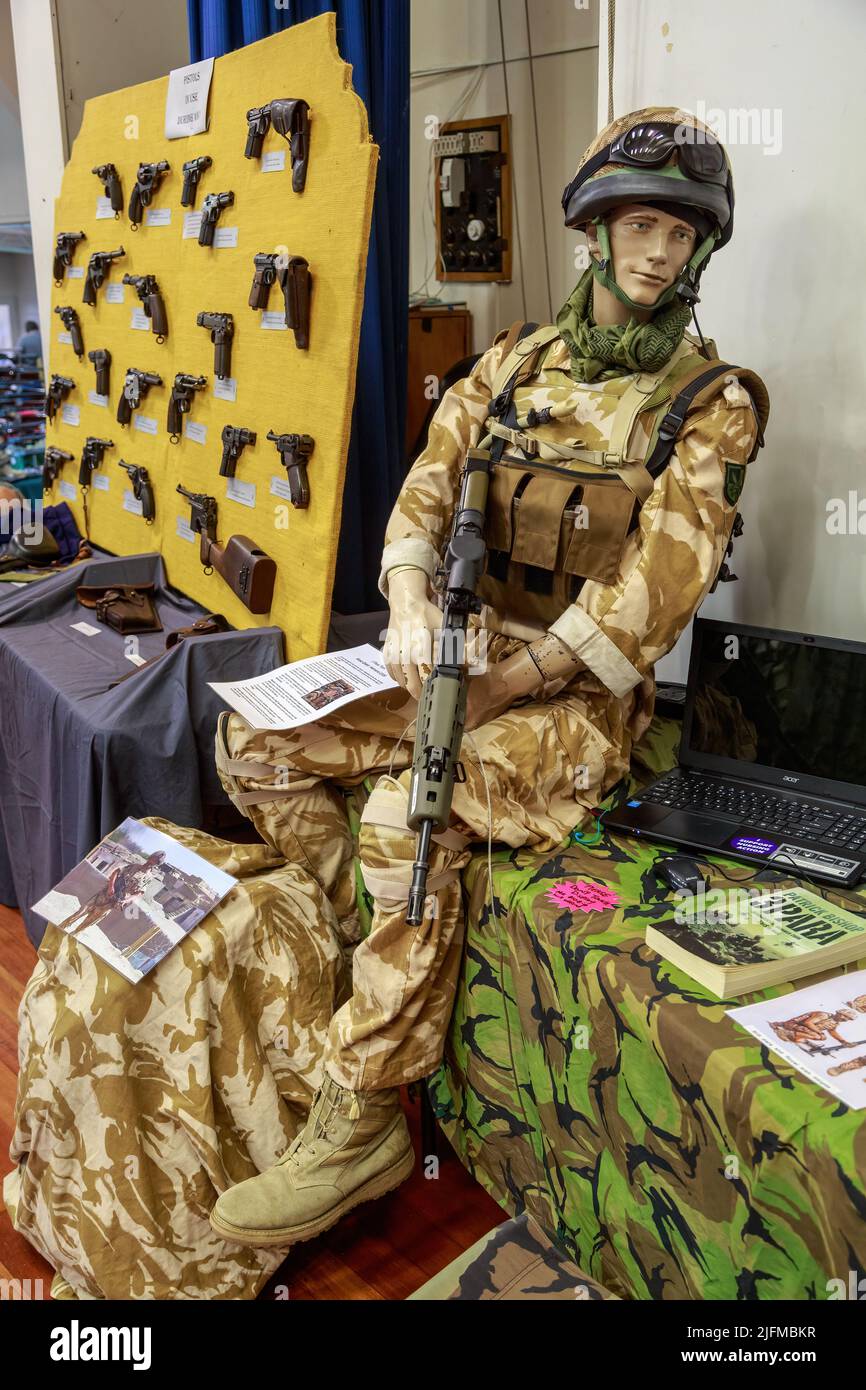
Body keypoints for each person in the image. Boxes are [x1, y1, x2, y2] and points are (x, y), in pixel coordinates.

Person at [209, 106, 769, 1249]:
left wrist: (511, 682)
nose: (659, 254)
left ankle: (363, 1116)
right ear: (599, 229)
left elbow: (651, 595)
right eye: (643, 224)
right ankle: (360, 956)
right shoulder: (513, 361)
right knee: (256, 745)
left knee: (404, 806)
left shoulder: (709, 405)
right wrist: (410, 604)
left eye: (681, 234)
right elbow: (425, 485)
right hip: (456, 657)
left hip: (572, 708)